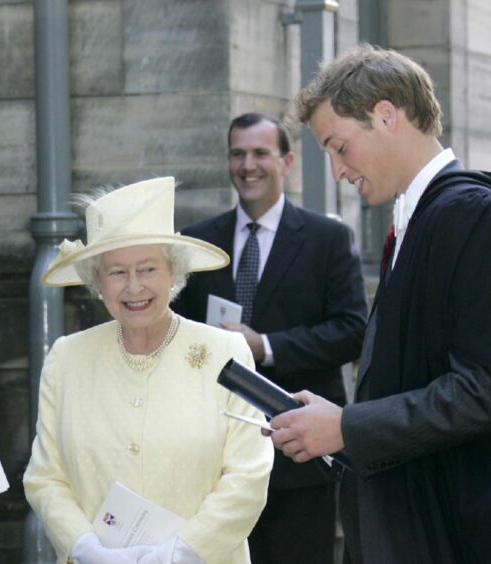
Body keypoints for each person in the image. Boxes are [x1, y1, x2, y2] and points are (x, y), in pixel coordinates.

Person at [268, 44, 491, 563]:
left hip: (473, 535)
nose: (337, 172)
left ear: (386, 115)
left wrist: (346, 427)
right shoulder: (430, 217)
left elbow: (487, 392)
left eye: (339, 146)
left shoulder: (472, 215)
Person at [23, 177, 274, 564]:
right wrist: (86, 549)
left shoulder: (226, 352)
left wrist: (179, 554)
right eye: (117, 272)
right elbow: (45, 477)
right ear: (97, 282)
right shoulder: (67, 358)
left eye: (148, 268)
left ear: (174, 273)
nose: (134, 287)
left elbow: (249, 475)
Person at [171, 112, 368, 564]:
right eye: (237, 154)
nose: (248, 165)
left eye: (260, 153)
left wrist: (266, 345)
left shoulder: (328, 239)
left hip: (299, 457)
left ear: (288, 160)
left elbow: (353, 330)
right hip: (214, 459)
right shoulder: (198, 244)